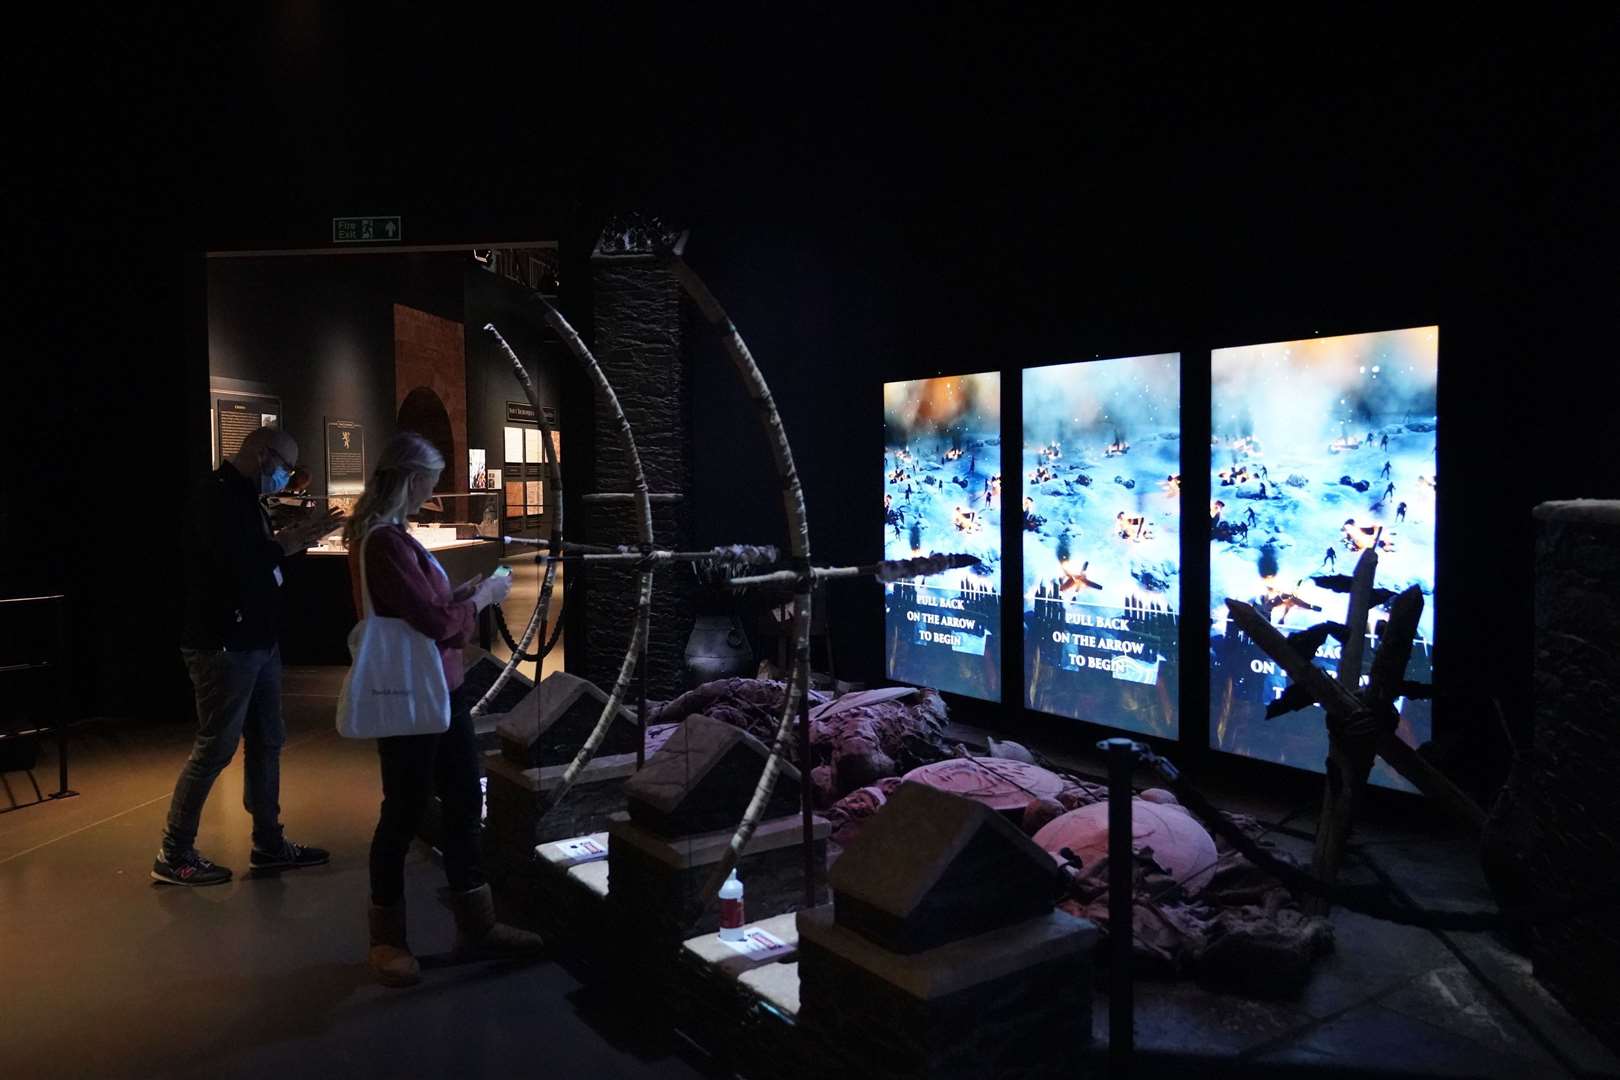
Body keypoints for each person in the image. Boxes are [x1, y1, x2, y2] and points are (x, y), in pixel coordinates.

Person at [343, 431, 542, 987]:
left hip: (438, 689)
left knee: (460, 802)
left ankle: (476, 922)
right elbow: (431, 625)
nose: (433, 491)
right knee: (403, 810)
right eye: (429, 482)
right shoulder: (384, 542)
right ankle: (387, 939)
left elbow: (426, 611)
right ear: (411, 480)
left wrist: (459, 596)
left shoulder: (392, 538)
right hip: (416, 693)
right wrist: (478, 601)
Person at [154, 427, 343, 886]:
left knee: (267, 740)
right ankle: (174, 851)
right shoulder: (215, 497)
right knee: (215, 748)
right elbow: (234, 565)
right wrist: (286, 543)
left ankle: (269, 842)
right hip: (225, 645)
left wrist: (285, 541)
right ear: (263, 455)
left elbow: (254, 559)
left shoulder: (241, 498)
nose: (287, 477)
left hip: (256, 641)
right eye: (285, 467)